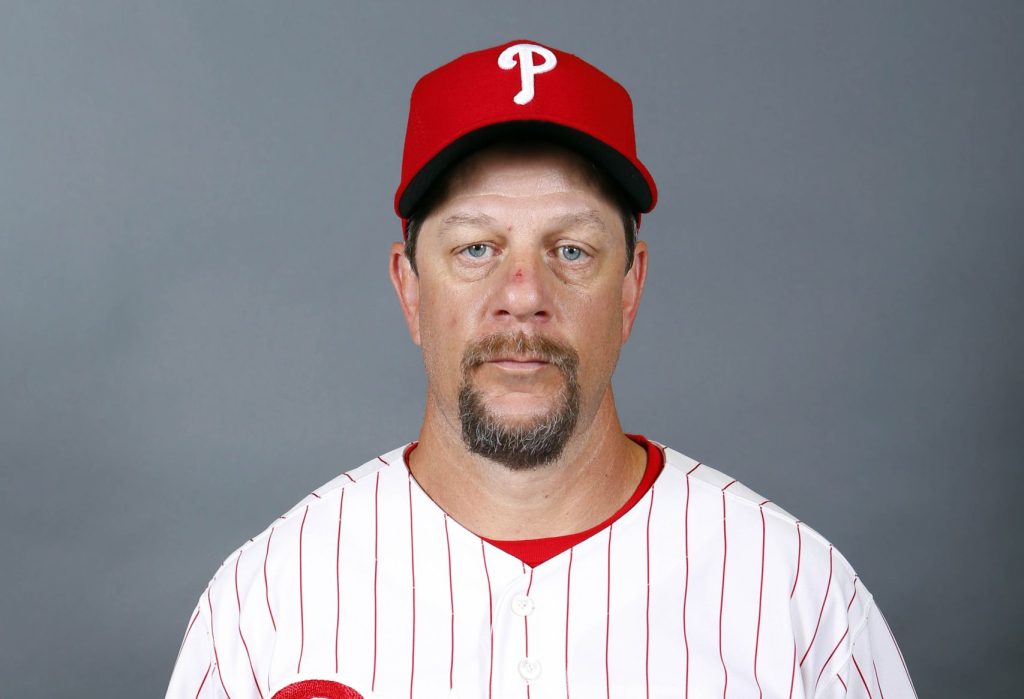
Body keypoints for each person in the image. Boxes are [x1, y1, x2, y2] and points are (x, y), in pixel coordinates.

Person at [166, 39, 917, 699]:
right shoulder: (268, 599)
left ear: (631, 288)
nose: (522, 296)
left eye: (570, 249)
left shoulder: (796, 595)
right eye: (475, 248)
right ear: (409, 287)